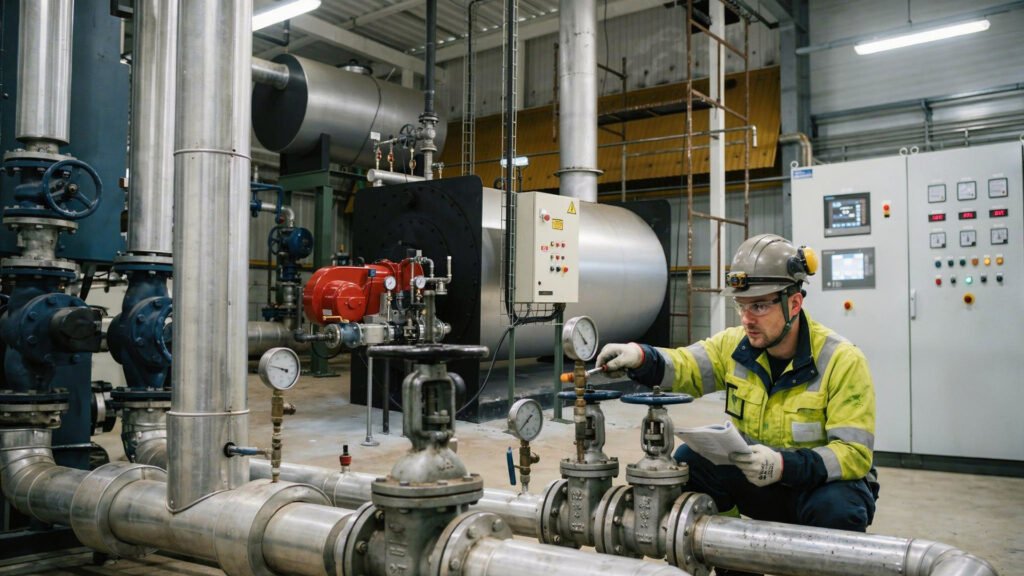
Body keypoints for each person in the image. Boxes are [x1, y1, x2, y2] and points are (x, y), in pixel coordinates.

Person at [597, 234, 878, 576]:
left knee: (839, 508)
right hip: (758, 479)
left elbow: (853, 454)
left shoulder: (841, 360)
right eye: (741, 306)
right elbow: (685, 365)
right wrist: (642, 356)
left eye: (758, 306)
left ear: (794, 304)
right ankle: (733, 561)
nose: (747, 318)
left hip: (815, 488)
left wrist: (783, 465)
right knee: (690, 463)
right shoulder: (735, 345)